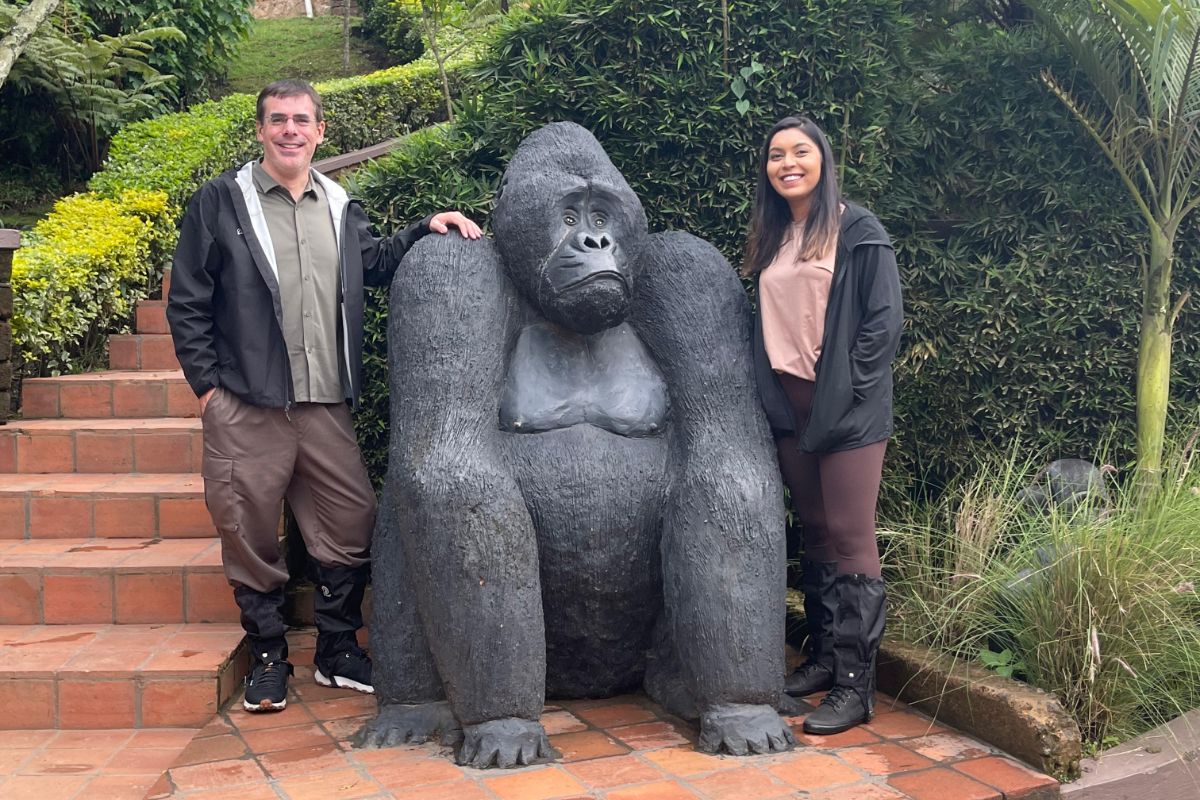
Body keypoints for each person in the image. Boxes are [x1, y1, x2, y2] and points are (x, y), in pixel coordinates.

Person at [167, 79, 482, 713]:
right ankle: (266, 656)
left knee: (350, 521)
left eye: (301, 120)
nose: (289, 130)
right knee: (248, 530)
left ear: (320, 132)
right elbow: (188, 300)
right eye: (278, 119)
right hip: (246, 405)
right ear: (260, 131)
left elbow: (372, 264)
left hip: (323, 403)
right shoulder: (221, 203)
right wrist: (208, 390)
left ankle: (337, 651)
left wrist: (426, 226)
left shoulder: (339, 204)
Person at [743, 116, 902, 735]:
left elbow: (881, 324)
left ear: (822, 159)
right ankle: (823, 657)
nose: (787, 163)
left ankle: (856, 689)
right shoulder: (775, 234)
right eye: (776, 155)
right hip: (789, 407)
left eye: (800, 152)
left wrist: (850, 394)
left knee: (850, 533)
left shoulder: (857, 229)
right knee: (814, 529)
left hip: (849, 408)